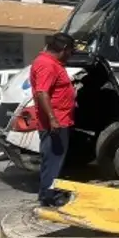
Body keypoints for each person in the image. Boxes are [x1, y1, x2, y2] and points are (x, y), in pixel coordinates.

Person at [30, 33, 76, 207]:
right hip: (55, 122)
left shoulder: (51, 63)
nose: (70, 55)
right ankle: (50, 197)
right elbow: (42, 92)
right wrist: (52, 119)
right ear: (64, 49)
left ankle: (49, 192)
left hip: (60, 119)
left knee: (53, 159)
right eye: (70, 51)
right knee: (53, 160)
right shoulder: (47, 65)